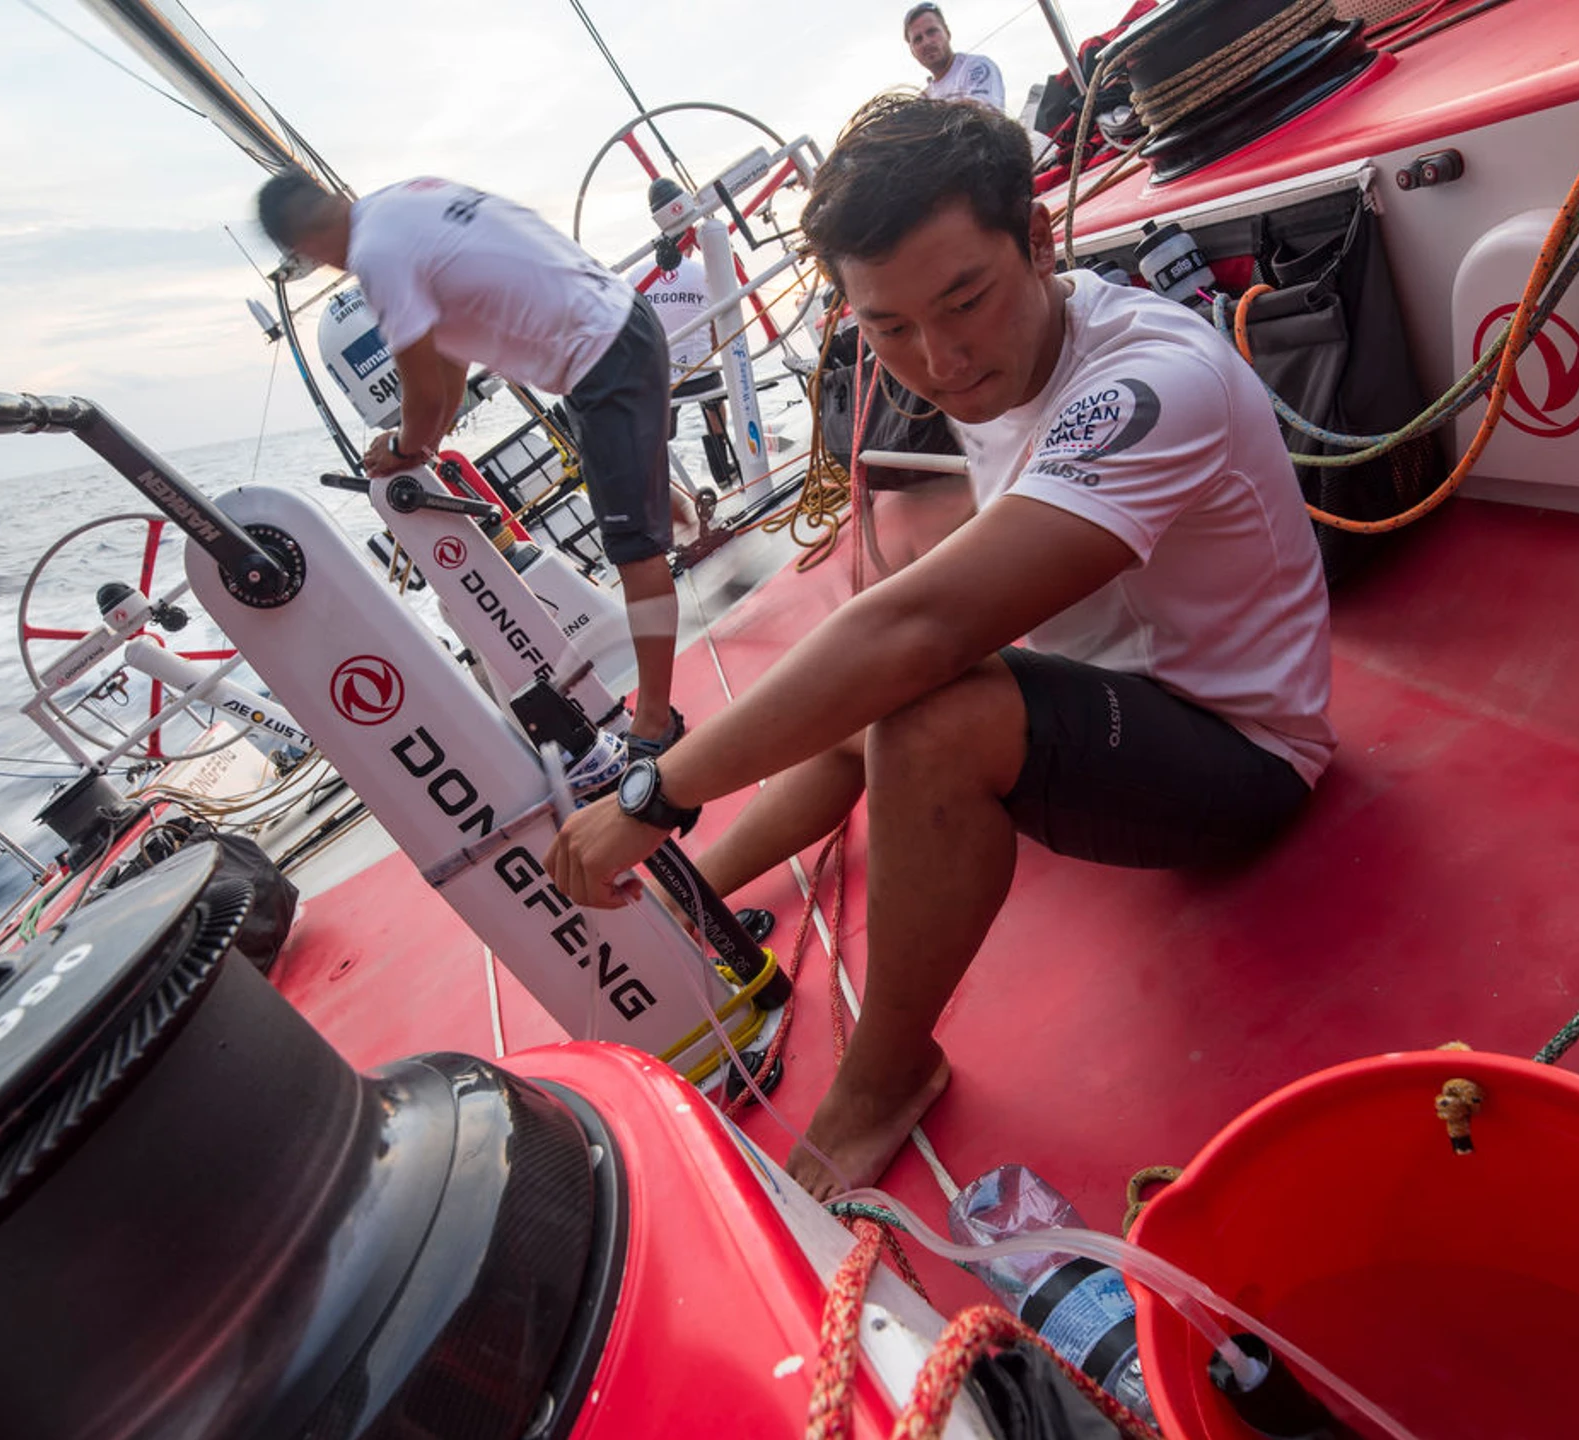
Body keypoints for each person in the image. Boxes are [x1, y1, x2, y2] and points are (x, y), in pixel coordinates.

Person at [547, 96, 1333, 1198]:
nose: (941, 359)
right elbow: (888, 640)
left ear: (1041, 240)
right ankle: (696, 901)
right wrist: (667, 843)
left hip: (1240, 755)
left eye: (966, 298)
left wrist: (652, 789)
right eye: (889, 327)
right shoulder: (984, 350)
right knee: (864, 684)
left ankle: (886, 1075)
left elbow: (923, 628)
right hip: (1102, 704)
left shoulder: (1150, 384)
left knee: (922, 703)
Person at [257, 169, 686, 754]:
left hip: (599, 351)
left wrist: (404, 448)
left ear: (304, 248)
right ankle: (671, 513)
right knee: (630, 511)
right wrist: (424, 441)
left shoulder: (377, 257)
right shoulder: (406, 199)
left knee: (635, 551)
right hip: (612, 329)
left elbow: (427, 396)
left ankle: (657, 722)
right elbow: (449, 365)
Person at [906, 3, 1005, 112]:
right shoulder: (923, 99)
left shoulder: (976, 67)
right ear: (912, 51)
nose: (926, 42)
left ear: (947, 33)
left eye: (932, 32)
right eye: (918, 39)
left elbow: (982, 115)